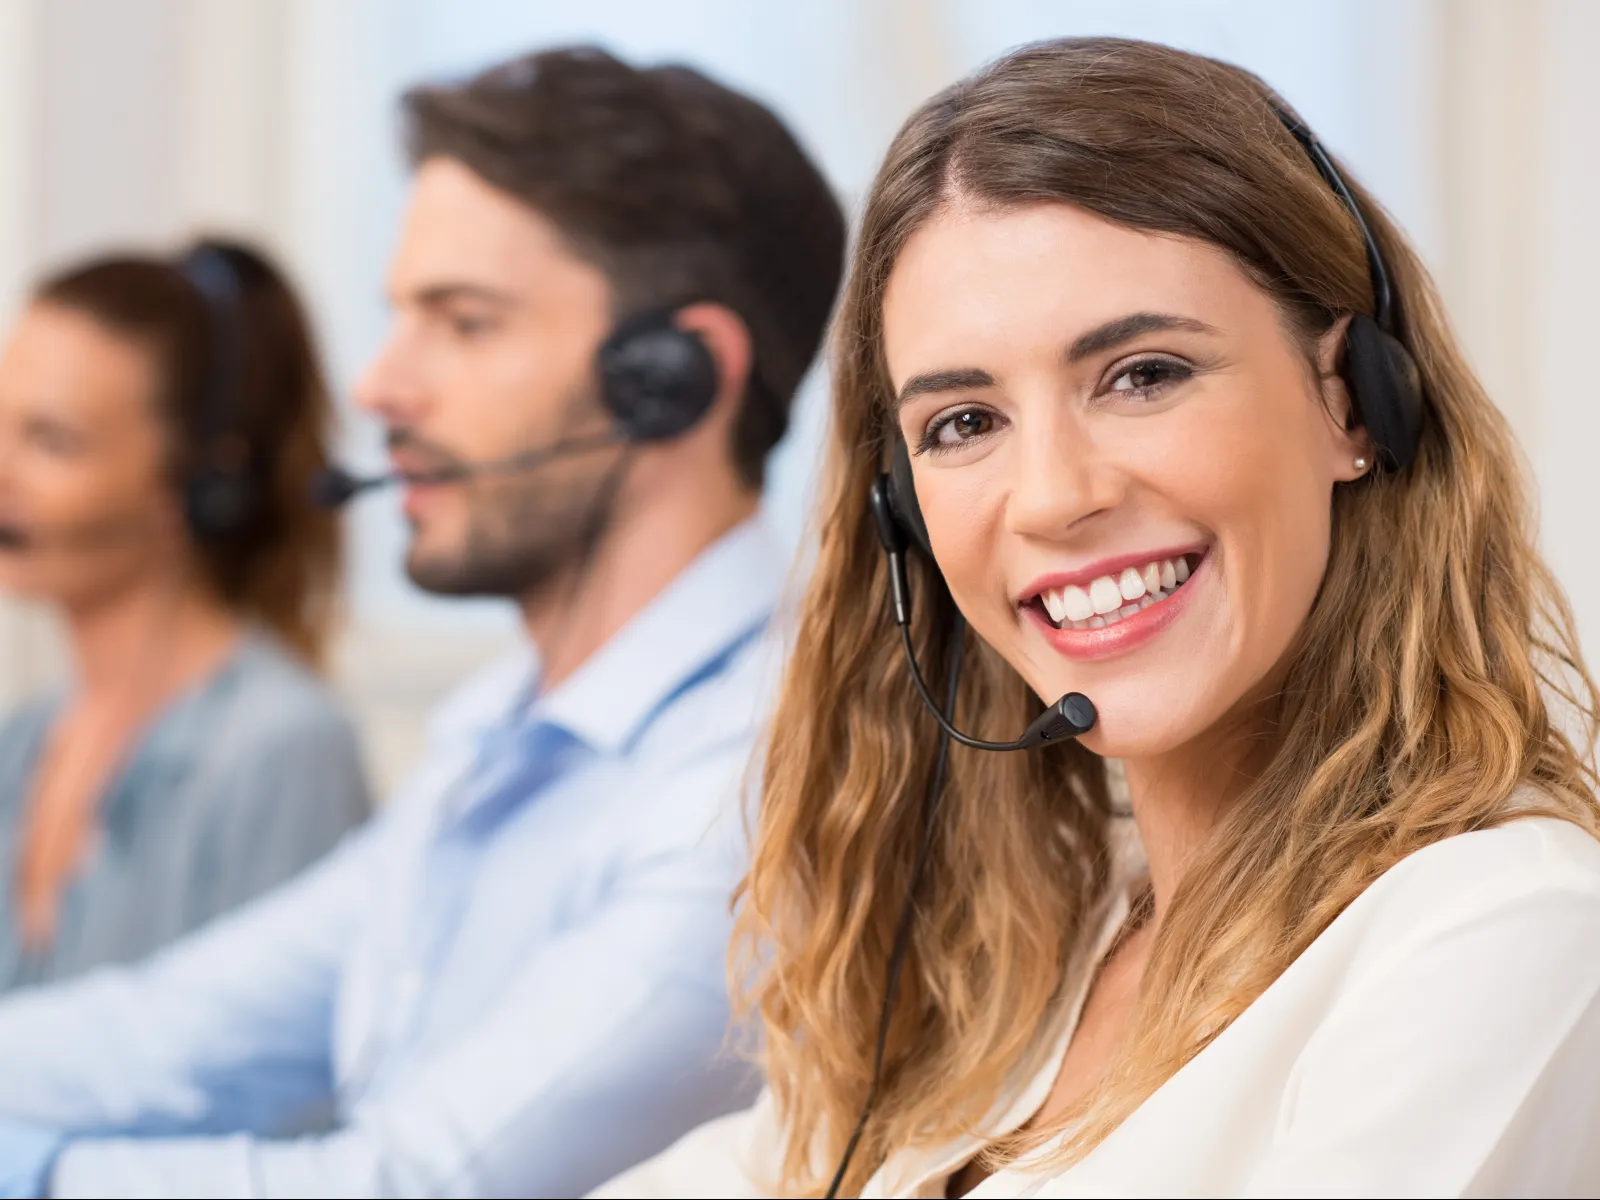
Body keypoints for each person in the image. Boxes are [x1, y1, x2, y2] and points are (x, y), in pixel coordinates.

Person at [597, 37, 1600, 1199]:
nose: (1057, 496)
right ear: (901, 516)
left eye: (1143, 373)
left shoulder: (1499, 931)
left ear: (1352, 401)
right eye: (964, 423)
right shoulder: (1032, 961)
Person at [0, 46, 845, 1199]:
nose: (379, 388)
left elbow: (411, 1185)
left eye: (463, 322)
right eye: (402, 316)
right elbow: (161, 1040)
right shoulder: (495, 736)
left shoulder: (756, 787)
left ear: (673, 378)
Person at [0, 240, 370, 992]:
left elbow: (287, 1092)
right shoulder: (26, 741)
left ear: (196, 482)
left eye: (52, 441)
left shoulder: (284, 753)